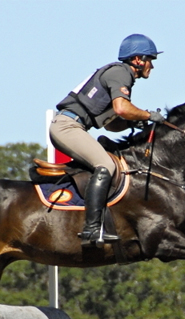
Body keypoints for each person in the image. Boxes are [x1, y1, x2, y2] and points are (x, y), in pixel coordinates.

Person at [49, 34, 166, 247]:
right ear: (138, 59)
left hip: (72, 126)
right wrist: (148, 115)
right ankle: (92, 228)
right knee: (106, 165)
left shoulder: (118, 74)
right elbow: (123, 108)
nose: (152, 66)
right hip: (68, 126)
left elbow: (112, 123)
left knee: (107, 162)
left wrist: (133, 124)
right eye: (151, 59)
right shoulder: (121, 73)